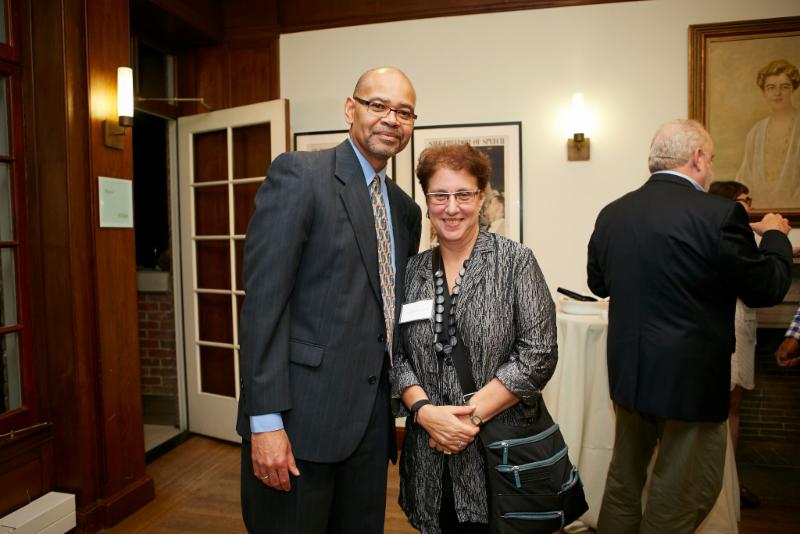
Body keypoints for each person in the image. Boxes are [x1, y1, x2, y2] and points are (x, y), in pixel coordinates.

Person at [237, 67, 422, 533]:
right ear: (349, 109)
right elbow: (263, 306)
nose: (391, 119)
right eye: (378, 105)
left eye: (404, 112)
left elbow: (386, 314)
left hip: (370, 428)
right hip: (299, 422)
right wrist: (265, 422)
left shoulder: (405, 209)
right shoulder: (300, 175)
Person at [587, 119, 793, 534]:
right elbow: (765, 288)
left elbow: (598, 284)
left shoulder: (613, 213)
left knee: (624, 484)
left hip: (630, 376)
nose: (710, 168)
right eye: (710, 159)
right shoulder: (719, 214)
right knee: (681, 494)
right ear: (697, 157)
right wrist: (775, 237)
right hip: (690, 383)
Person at [391, 143, 557, 534]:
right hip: (429, 462)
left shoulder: (515, 261)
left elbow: (538, 354)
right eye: (440, 195)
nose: (452, 208)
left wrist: (465, 420)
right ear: (427, 201)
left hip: (498, 459)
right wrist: (426, 414)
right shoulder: (411, 272)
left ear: (481, 197)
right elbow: (395, 355)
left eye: (463, 194)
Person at [707, 180, 761, 508]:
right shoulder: (723, 233)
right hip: (728, 321)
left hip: (745, 322)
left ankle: (731, 478)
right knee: (723, 401)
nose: (750, 204)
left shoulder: (743, 234)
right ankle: (722, 483)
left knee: (735, 403)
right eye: (745, 199)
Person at [736, 59, 800, 210]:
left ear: (793, 89)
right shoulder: (756, 132)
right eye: (771, 88)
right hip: (760, 213)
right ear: (764, 91)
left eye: (784, 87)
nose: (777, 93)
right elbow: (745, 177)